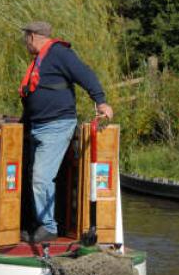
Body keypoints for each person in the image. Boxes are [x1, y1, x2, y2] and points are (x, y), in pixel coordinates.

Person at [18, 21, 113, 243]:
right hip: (37, 126)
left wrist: (101, 101)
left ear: (32, 36)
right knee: (34, 177)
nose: (25, 42)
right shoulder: (42, 59)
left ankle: (49, 227)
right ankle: (37, 225)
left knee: (41, 178)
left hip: (56, 126)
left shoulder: (60, 54)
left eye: (25, 37)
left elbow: (85, 74)